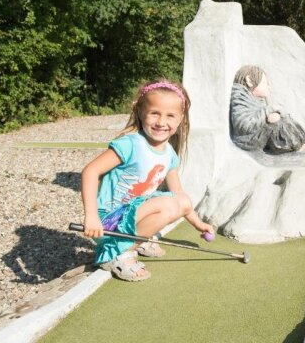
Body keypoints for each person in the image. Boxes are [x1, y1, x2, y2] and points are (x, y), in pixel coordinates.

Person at [81, 79, 214, 281]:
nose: (161, 122)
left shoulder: (169, 155)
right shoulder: (130, 144)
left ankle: (139, 239)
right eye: (154, 113)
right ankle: (119, 253)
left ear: (180, 121)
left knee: (182, 202)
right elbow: (90, 172)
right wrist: (91, 216)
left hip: (129, 217)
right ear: (142, 112)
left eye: (170, 115)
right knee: (168, 206)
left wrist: (198, 223)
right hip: (107, 223)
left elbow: (179, 194)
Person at [230, 65, 305, 153]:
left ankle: (300, 143)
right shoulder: (241, 98)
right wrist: (268, 112)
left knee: (284, 119)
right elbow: (244, 126)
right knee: (277, 125)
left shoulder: (255, 100)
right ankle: (296, 146)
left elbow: (263, 114)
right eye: (264, 84)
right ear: (249, 81)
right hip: (247, 140)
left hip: (255, 135)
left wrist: (272, 113)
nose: (268, 87)